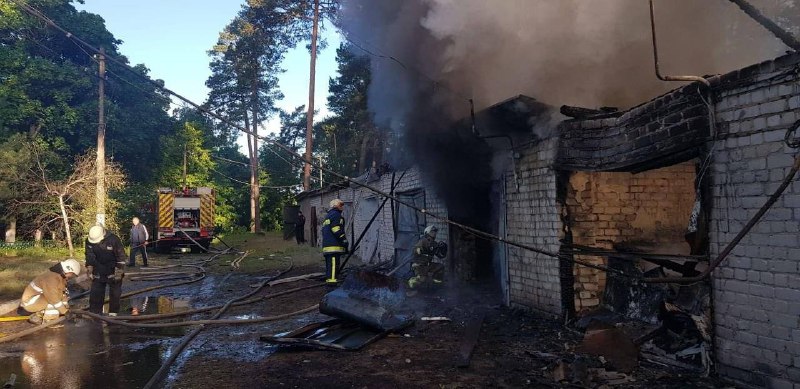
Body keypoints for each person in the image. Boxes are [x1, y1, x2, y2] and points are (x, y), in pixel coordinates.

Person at [19, 259, 81, 324]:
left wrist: (67, 308)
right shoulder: (51, 279)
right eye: (72, 274)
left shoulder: (59, 277)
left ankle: (39, 315)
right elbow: (54, 299)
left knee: (58, 301)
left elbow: (62, 293)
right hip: (29, 303)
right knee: (54, 301)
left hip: (36, 299)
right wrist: (65, 312)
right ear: (68, 270)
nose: (71, 277)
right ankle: (50, 321)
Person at [85, 225, 127, 316]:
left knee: (115, 293)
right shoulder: (89, 241)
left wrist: (119, 272)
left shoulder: (114, 239)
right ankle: (95, 313)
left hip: (114, 267)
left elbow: (121, 256)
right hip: (98, 267)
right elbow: (89, 255)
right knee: (96, 291)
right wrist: (90, 267)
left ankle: (113, 313)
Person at [408, 225, 447, 290]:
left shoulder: (434, 243)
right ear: (427, 233)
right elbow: (416, 249)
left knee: (440, 267)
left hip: (428, 265)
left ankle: (435, 283)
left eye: (435, 232)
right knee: (422, 280)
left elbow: (440, 256)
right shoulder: (423, 241)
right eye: (432, 232)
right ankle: (411, 282)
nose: (434, 233)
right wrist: (419, 250)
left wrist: (443, 249)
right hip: (419, 266)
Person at [321, 199, 348, 284]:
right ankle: (331, 285)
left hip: (328, 245)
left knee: (330, 266)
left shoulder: (328, 216)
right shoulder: (336, 215)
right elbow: (336, 229)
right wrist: (343, 239)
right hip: (333, 246)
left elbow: (324, 231)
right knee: (333, 266)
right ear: (335, 206)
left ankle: (330, 281)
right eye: (340, 205)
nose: (342, 207)